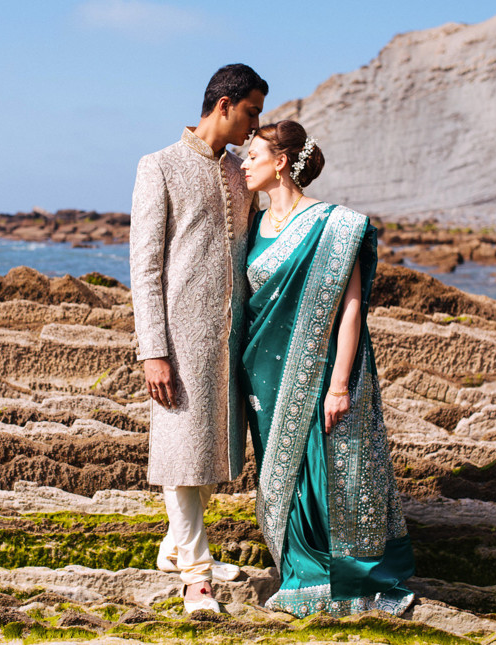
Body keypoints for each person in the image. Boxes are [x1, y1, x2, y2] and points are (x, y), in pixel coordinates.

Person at [238, 120, 416, 617]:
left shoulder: (335, 225)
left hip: (322, 372)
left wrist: (339, 385)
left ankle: (342, 577)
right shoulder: (252, 225)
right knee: (283, 477)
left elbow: (351, 307)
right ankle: (297, 569)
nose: (244, 164)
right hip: (264, 375)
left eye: (253, 155)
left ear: (280, 162)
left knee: (327, 469)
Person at [130, 63, 268, 613]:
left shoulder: (240, 172)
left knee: (213, 455)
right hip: (179, 341)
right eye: (251, 112)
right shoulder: (159, 166)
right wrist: (153, 351)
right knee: (183, 456)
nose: (254, 126)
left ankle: (175, 548)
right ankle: (195, 577)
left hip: (232, 340)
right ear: (224, 105)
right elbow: (144, 268)